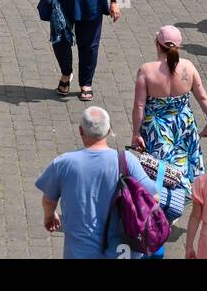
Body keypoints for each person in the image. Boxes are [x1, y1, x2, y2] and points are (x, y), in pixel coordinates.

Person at [36, 106, 158, 260]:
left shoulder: (63, 163)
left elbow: (48, 200)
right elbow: (154, 198)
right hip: (121, 252)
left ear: (81, 131)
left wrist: (50, 216)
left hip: (79, 253)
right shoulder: (126, 161)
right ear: (109, 130)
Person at [131, 25, 207, 191]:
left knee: (159, 169)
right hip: (184, 124)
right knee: (182, 160)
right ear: (178, 47)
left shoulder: (146, 70)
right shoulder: (188, 67)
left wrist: (136, 133)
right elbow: (202, 97)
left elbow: (139, 106)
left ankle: (164, 201)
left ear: (157, 44)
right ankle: (182, 193)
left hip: (157, 128)